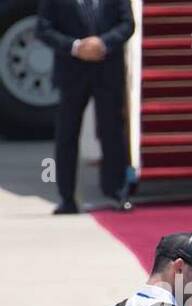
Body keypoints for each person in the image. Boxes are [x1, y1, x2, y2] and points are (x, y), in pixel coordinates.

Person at [36, 0, 135, 214]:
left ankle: (116, 192)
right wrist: (75, 47)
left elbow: (127, 24)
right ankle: (67, 198)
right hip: (71, 73)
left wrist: (103, 43)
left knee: (112, 132)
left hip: (107, 70)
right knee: (67, 135)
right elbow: (43, 29)